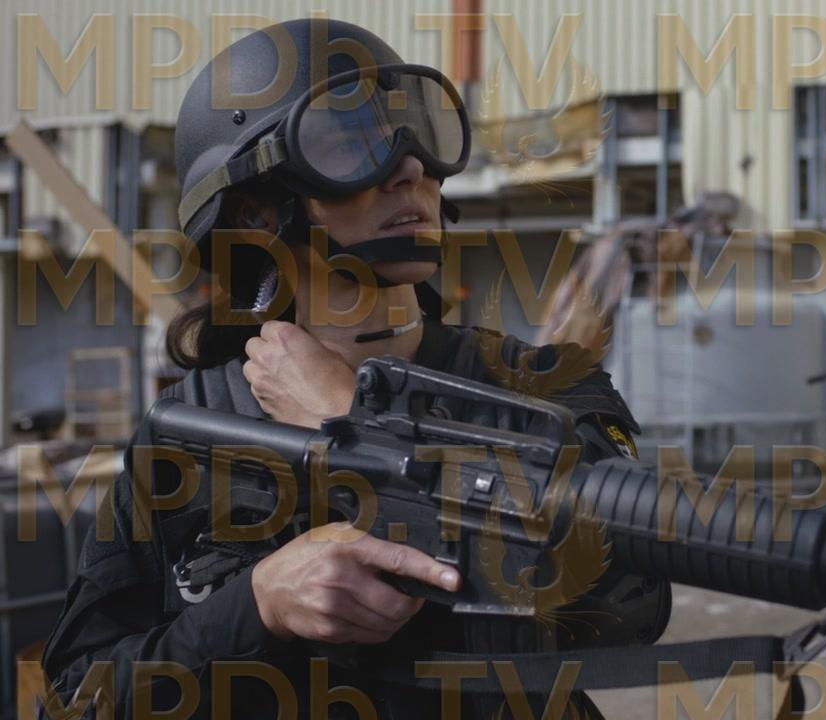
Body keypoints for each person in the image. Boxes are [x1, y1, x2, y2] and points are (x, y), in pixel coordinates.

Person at [39, 18, 668, 719]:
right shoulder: (189, 433)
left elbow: (630, 604)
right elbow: (75, 699)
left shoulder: (540, 385)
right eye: (349, 144)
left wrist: (360, 430)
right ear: (256, 214)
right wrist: (256, 608)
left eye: (419, 137)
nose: (410, 170)